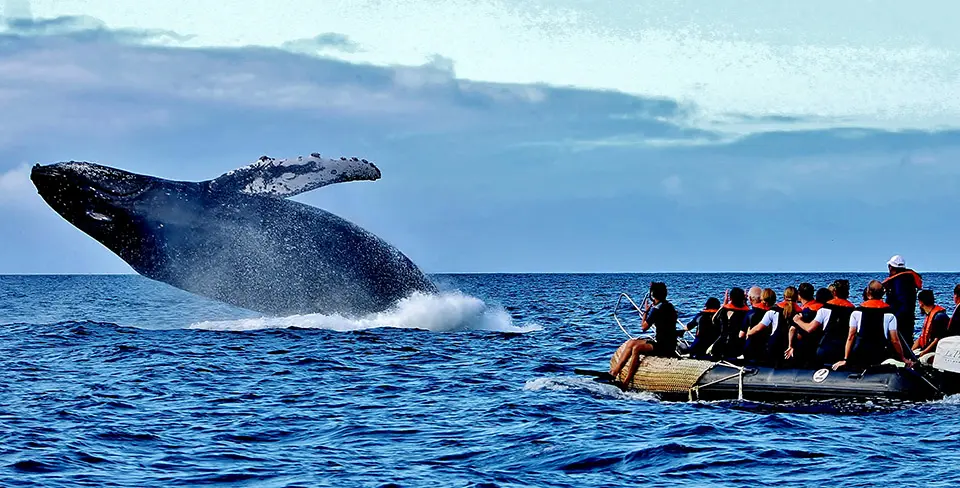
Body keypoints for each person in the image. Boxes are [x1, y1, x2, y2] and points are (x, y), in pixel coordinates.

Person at [832, 280, 914, 371]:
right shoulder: (890, 314)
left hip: (860, 354)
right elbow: (895, 340)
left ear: (868, 292)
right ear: (883, 293)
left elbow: (851, 337)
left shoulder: (856, 312)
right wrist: (902, 358)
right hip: (880, 355)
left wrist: (846, 359)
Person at [610, 282, 679, 385]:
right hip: (667, 342)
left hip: (663, 346)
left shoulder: (657, 309)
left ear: (653, 295)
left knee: (636, 348)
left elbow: (644, 327)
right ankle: (614, 372)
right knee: (631, 342)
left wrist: (646, 312)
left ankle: (627, 381)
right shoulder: (669, 306)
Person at [790, 279, 856, 366]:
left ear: (834, 292)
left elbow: (810, 328)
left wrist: (798, 321)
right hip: (843, 349)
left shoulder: (825, 309)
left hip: (826, 349)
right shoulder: (853, 309)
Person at [745, 286, 798, 367]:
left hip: (775, 344)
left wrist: (749, 333)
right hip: (791, 346)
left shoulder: (773, 311)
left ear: (784, 296)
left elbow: (759, 327)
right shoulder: (800, 311)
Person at [785, 287, 833, 366]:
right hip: (820, 343)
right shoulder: (825, 309)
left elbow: (793, 329)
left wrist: (790, 345)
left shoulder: (805, 311)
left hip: (806, 345)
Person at [882, 255, 923, 346]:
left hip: (899, 319)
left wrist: (894, 318)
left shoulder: (899, 281)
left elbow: (903, 302)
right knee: (906, 340)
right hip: (908, 317)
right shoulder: (908, 279)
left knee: (899, 342)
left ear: (891, 267)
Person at [708, 287, 751, 360]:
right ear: (743, 299)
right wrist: (745, 303)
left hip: (720, 345)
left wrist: (724, 303)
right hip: (737, 347)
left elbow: (714, 320)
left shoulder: (723, 310)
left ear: (730, 299)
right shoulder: (746, 313)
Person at [913, 289, 950, 357]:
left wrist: (923, 353)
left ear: (921, 303)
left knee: (919, 360)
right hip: (925, 349)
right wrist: (911, 351)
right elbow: (921, 337)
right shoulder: (930, 315)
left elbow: (937, 340)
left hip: (936, 352)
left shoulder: (939, 317)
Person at [743, 288, 776, 362]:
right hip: (770, 346)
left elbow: (758, 328)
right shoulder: (777, 312)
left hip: (755, 348)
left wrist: (749, 332)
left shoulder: (751, 314)